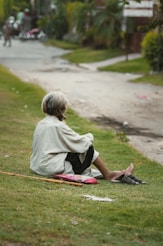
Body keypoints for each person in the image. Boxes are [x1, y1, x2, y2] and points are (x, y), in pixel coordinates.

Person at [30, 91, 142, 184]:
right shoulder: (58, 126)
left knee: (78, 157)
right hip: (49, 168)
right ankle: (109, 174)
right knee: (88, 148)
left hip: (37, 166)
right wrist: (89, 136)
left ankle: (115, 173)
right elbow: (81, 144)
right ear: (62, 108)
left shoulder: (42, 123)